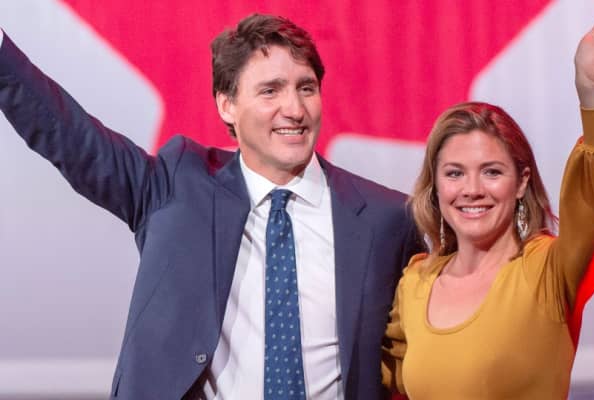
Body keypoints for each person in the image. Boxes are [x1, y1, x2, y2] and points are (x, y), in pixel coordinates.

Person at [0, 14, 421, 399]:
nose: (294, 109)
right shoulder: (178, 187)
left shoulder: (385, 219)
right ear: (227, 105)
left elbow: (420, 350)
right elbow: (70, 136)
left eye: (305, 88)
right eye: (270, 90)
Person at [381, 5, 594, 399]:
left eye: (491, 172)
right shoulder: (416, 281)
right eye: (455, 173)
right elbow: (371, 376)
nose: (472, 189)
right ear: (435, 186)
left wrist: (590, 90)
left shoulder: (548, 271)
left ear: (521, 183)